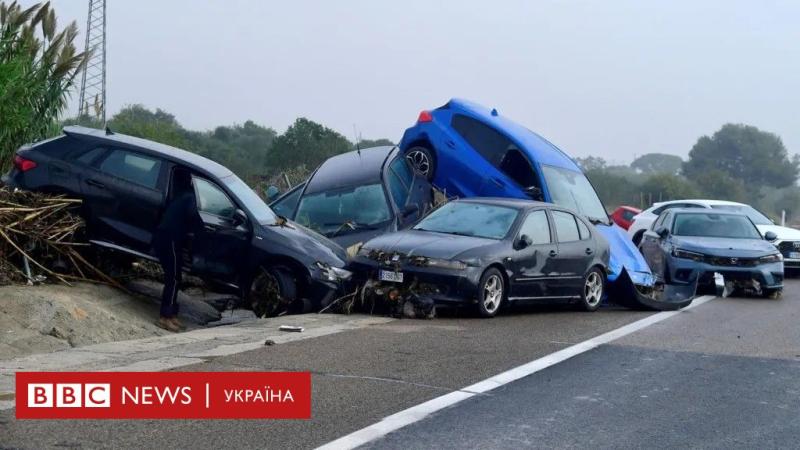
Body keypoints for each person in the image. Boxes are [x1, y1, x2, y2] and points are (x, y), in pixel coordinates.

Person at [153, 169, 201, 332]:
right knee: (172, 278)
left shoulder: (181, 195)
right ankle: (164, 317)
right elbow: (193, 216)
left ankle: (171, 315)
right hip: (169, 238)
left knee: (176, 276)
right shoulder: (189, 198)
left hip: (170, 237)